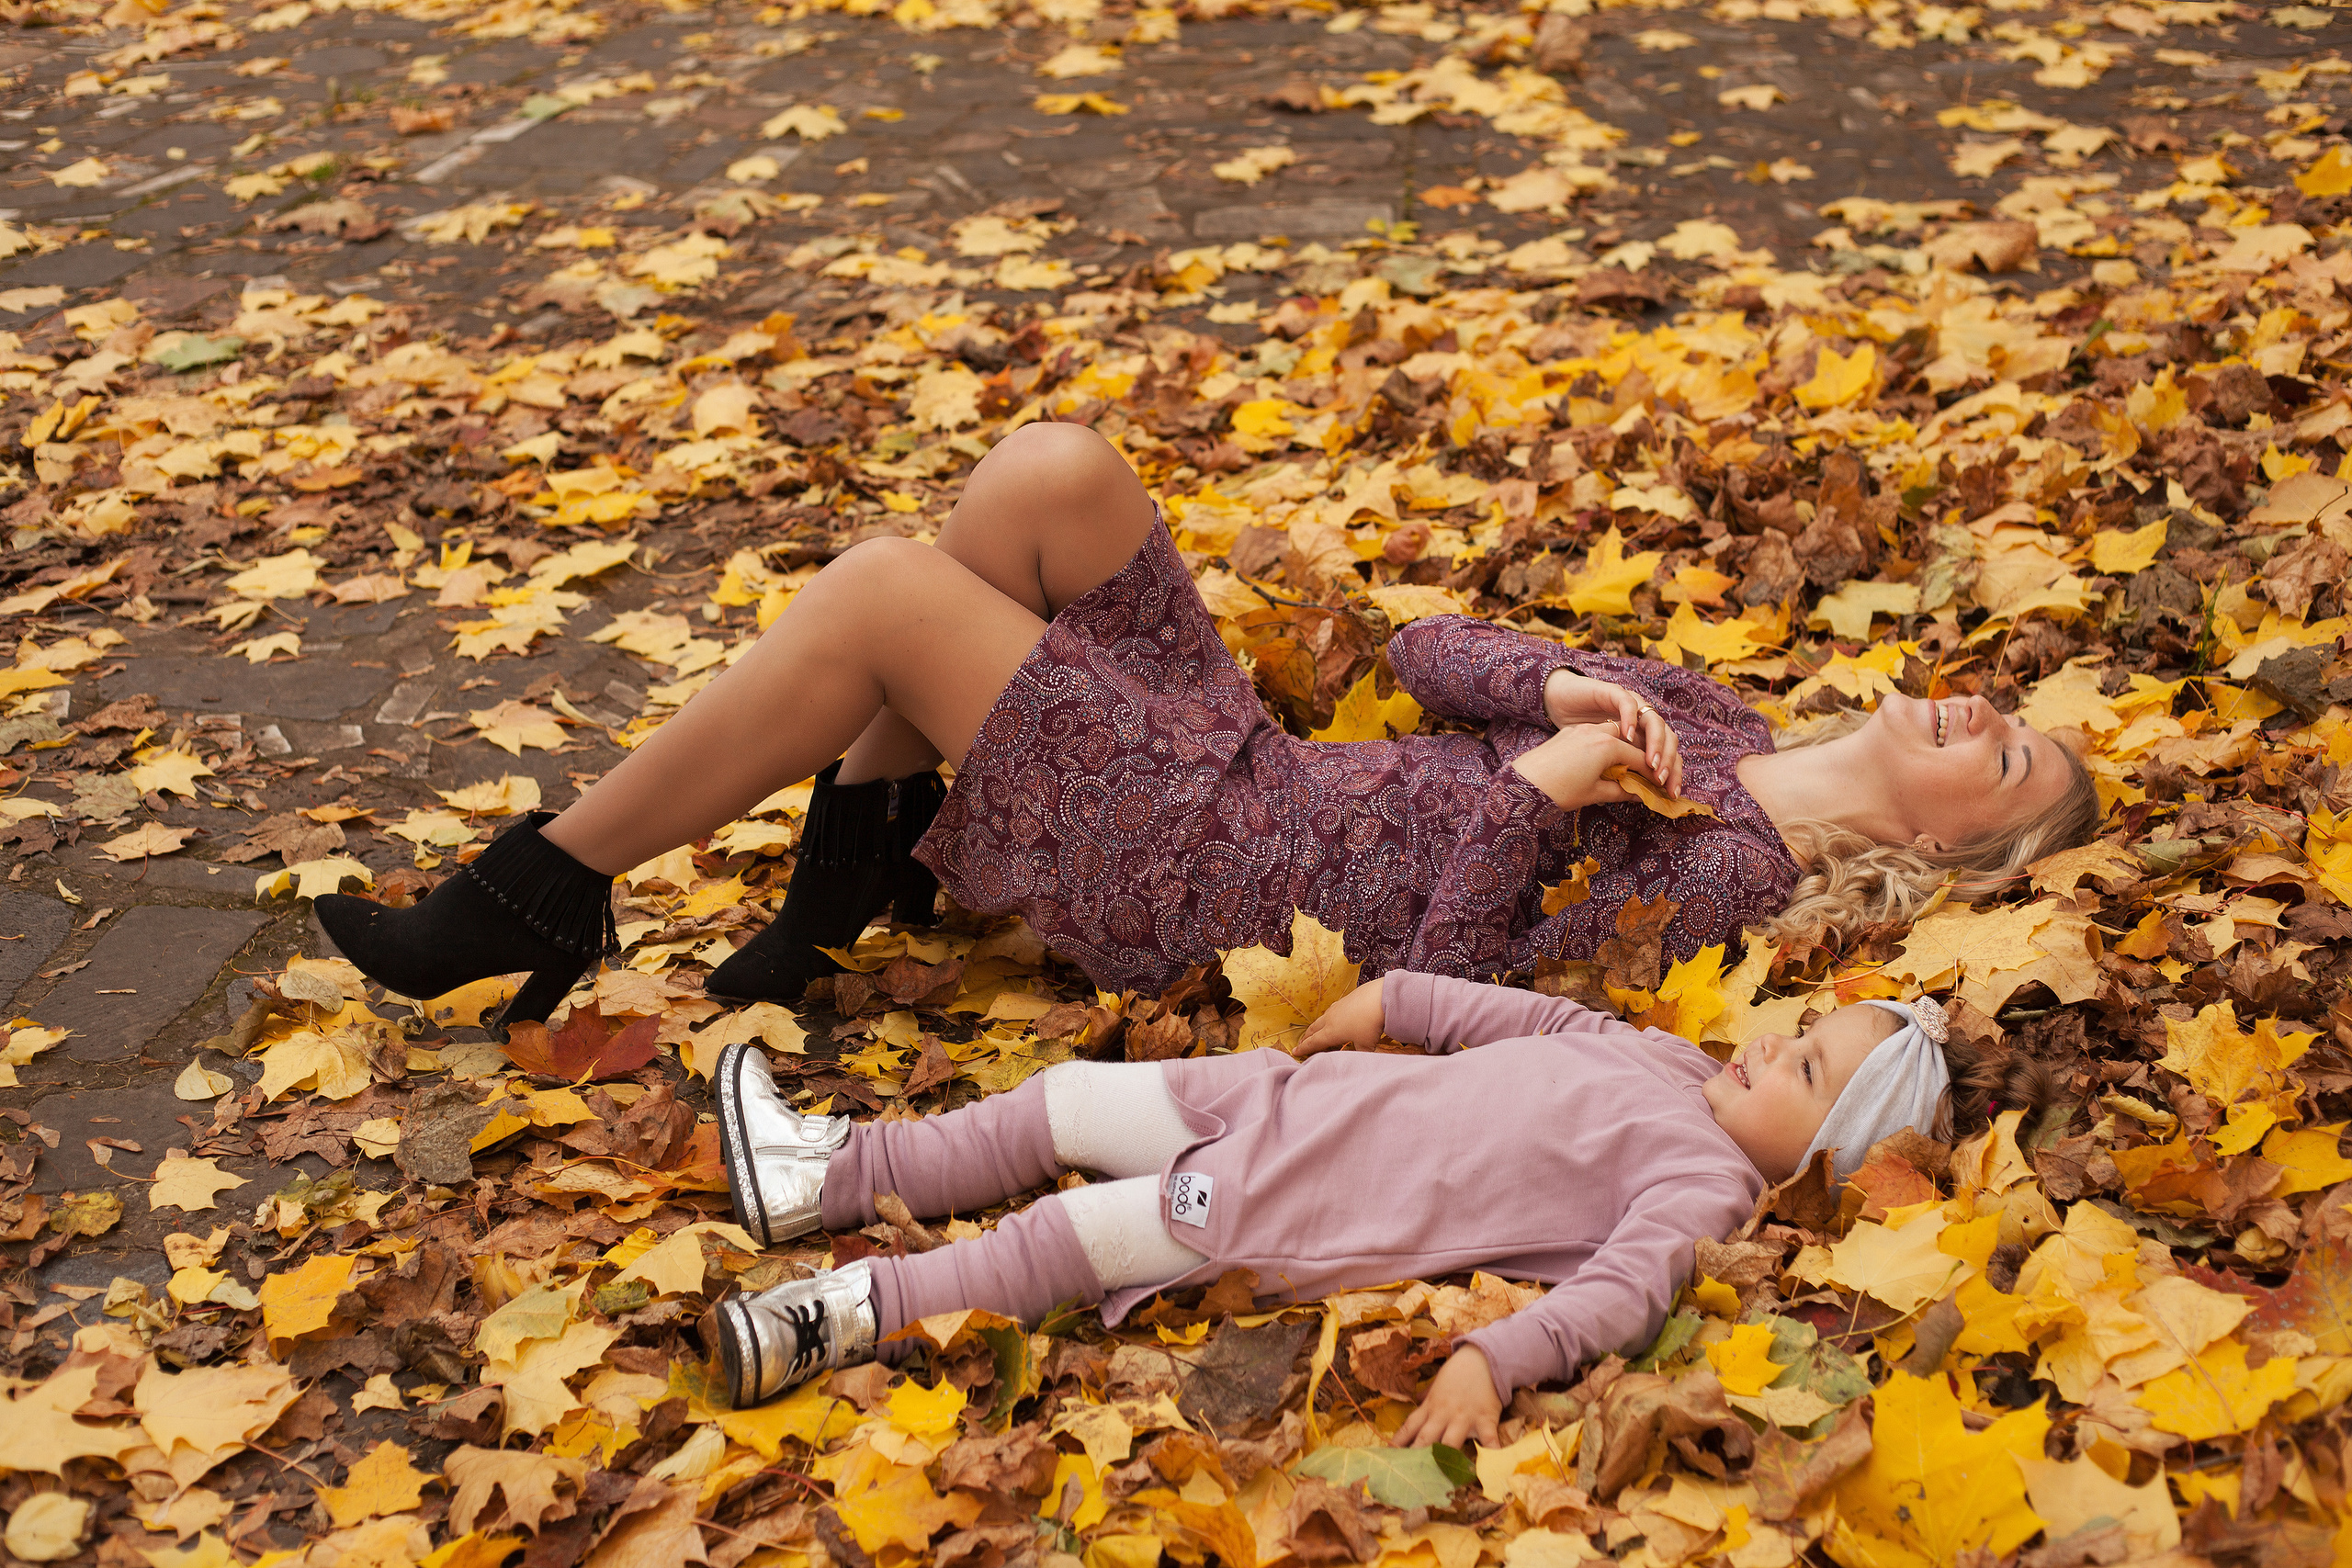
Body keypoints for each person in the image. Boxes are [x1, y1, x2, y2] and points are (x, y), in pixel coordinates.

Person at [312, 423, 2098, 1032]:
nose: (1984, 710)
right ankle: (852, 894)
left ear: (1949, 843)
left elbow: (1434, 1000)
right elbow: (1420, 645)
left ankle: (538, 893)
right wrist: (1544, 690)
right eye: (2010, 715)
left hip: (1224, 888)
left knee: (881, 594)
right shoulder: (1719, 714)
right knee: (1051, 474)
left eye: (2005, 755)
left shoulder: (1734, 883)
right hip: (1257, 777)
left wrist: (1540, 800)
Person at [707, 978, 2010, 1442]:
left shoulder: (1705, 1183)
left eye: (1805, 1072)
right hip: (1289, 1097)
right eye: (1798, 1031)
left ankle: (833, 1319)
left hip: (1291, 1204)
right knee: (1059, 1103)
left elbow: (1624, 1293)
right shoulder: (1675, 1060)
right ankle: (826, 1175)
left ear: (1821, 1160)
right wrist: (1406, 1000)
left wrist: (1498, 1357)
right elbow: (1544, 1018)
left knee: (1065, 1241)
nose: (1771, 1047)